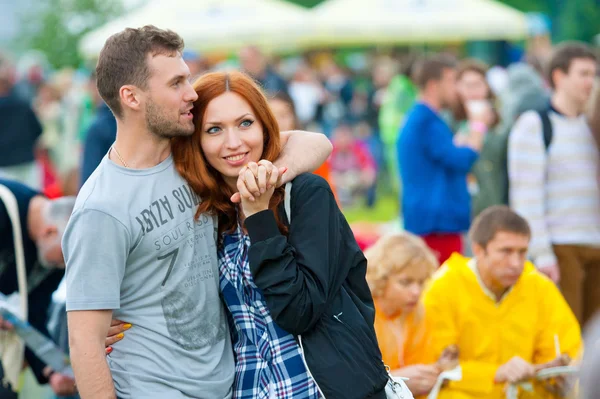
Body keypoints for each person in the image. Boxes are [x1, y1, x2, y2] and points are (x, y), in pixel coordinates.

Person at [63, 26, 332, 399]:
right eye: (176, 83)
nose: (191, 93)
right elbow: (84, 342)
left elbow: (314, 142)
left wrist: (267, 175)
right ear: (132, 97)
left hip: (230, 385)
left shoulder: (191, 156)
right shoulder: (101, 207)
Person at [170, 70, 391, 398]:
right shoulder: (209, 216)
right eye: (214, 129)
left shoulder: (305, 195)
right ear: (197, 141)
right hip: (249, 388)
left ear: (263, 126)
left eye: (245, 123)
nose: (234, 142)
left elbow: (298, 311)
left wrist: (260, 217)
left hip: (321, 389)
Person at [423, 206, 581, 399]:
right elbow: (434, 366)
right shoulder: (443, 286)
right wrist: (495, 374)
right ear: (478, 249)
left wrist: (556, 373)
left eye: (522, 252)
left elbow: (568, 351)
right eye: (506, 251)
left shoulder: (539, 287)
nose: (516, 263)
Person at [508, 42, 600, 326]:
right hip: (561, 246)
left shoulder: (592, 125)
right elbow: (526, 195)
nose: (591, 82)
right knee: (567, 340)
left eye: (594, 74)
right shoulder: (535, 124)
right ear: (559, 76)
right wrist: (542, 252)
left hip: (595, 242)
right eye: (583, 73)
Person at [398, 54, 485, 265]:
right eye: (452, 81)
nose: (457, 89)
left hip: (430, 221)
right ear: (433, 85)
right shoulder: (427, 121)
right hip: (437, 225)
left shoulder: (422, 118)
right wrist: (478, 127)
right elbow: (461, 160)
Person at [0, 178, 76, 397]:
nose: (65, 266)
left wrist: (52, 369)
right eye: (65, 259)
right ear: (50, 232)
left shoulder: (53, 253)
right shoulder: (6, 205)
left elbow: (33, 311)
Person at [365, 232, 451, 397]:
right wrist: (396, 379)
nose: (416, 292)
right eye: (406, 282)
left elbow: (424, 361)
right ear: (381, 278)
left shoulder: (418, 313)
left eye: (421, 282)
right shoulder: (362, 316)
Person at [453, 60, 504, 218]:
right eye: (467, 85)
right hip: (462, 205)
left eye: (478, 84)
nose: (473, 90)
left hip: (495, 201)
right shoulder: (449, 121)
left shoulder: (500, 123)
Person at [0, 53, 43, 189]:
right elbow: (38, 130)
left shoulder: (22, 103)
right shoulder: (23, 103)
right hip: (27, 163)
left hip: (5, 166)